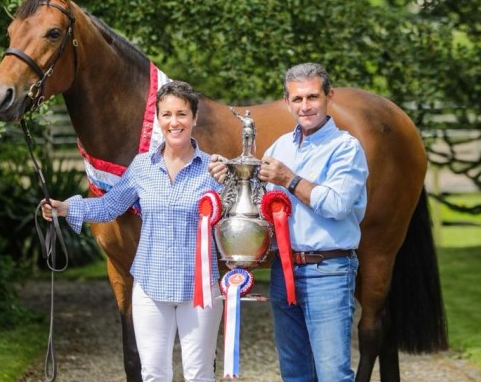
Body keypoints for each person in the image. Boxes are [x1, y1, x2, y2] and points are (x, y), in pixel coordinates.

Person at [42, 80, 224, 382]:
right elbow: (109, 207)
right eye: (166, 115)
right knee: (153, 374)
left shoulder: (214, 169)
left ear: (194, 117)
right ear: (158, 119)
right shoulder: (141, 167)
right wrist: (66, 208)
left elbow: (236, 220)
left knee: (200, 374)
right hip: (150, 287)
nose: (174, 122)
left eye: (181, 114)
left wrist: (234, 181)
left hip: (200, 288)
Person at [209, 62, 369, 382]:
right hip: (284, 271)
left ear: (329, 97)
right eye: (297, 99)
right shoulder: (280, 146)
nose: (305, 106)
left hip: (328, 270)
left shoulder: (345, 148)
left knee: (333, 375)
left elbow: (337, 205)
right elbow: (258, 203)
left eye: (312, 97)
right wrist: (227, 179)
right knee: (294, 374)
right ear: (287, 102)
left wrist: (290, 179)